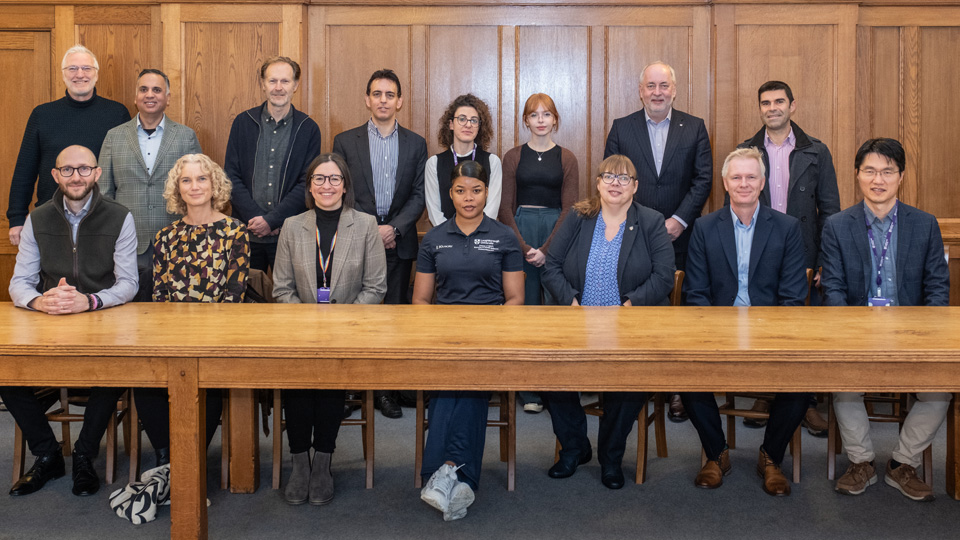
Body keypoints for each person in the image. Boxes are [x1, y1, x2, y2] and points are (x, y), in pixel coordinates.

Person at [0, 145, 138, 497]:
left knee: (115, 371)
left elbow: (128, 284)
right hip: (49, 326)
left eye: (83, 169)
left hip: (102, 323)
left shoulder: (120, 216)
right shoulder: (38, 218)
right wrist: (40, 302)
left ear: (96, 173)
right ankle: (47, 454)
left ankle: (83, 454)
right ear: (55, 175)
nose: (76, 176)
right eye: (67, 170)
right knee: (6, 372)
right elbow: (19, 282)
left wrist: (88, 301)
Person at [821, 138, 950, 502]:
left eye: (887, 171)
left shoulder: (924, 224)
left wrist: (926, 334)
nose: (878, 179)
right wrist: (849, 334)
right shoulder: (837, 225)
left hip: (912, 333)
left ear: (901, 177)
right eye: (870, 171)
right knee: (844, 384)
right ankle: (861, 462)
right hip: (856, 332)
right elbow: (833, 290)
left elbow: (937, 289)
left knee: (939, 390)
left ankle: (901, 463)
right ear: (858, 175)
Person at [540, 155, 675, 490]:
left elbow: (664, 277)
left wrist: (628, 305)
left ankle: (611, 457)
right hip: (576, 324)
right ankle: (575, 448)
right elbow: (551, 265)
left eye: (624, 178)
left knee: (629, 382)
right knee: (547, 373)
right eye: (609, 176)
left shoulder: (651, 221)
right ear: (598, 183)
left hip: (628, 326)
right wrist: (571, 302)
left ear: (635, 187)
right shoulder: (578, 216)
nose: (616, 183)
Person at [681, 147, 808, 497]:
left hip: (770, 333)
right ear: (725, 182)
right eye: (736, 177)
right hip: (718, 332)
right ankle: (717, 453)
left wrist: (772, 337)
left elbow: (794, 298)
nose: (744, 183)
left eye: (751, 176)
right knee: (685, 375)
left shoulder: (786, 228)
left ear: (763, 182)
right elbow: (696, 294)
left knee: (802, 382)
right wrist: (712, 335)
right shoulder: (705, 228)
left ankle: (770, 457)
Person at [273, 152, 387, 505]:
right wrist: (308, 322)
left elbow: (376, 287)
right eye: (320, 179)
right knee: (298, 380)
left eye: (334, 179)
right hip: (299, 329)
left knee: (329, 382)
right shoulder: (293, 225)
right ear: (309, 186)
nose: (327, 185)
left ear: (345, 186)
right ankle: (299, 462)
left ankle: (322, 461)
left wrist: (341, 323)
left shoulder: (365, 225)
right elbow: (281, 289)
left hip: (349, 330)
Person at [414, 160, 524, 521]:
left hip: (489, 336)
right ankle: (460, 479)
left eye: (476, 190)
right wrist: (436, 337)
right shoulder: (434, 238)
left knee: (469, 384)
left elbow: (515, 299)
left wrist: (492, 336)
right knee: (453, 386)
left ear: (487, 192)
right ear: (451, 194)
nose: (469, 197)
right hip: (444, 336)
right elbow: (420, 301)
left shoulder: (505, 237)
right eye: (461, 190)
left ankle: (439, 474)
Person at [603, 61, 712, 423]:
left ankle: (677, 388)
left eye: (663, 85)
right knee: (634, 307)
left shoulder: (694, 128)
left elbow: (703, 179)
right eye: (650, 85)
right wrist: (646, 224)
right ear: (640, 90)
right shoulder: (622, 128)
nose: (657, 92)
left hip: (681, 235)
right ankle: (632, 385)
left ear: (674, 89)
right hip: (633, 236)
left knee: (677, 314)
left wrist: (679, 220)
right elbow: (614, 178)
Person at [737, 80, 841, 435]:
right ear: (760, 108)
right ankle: (766, 393)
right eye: (765, 102)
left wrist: (826, 259)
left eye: (779, 101)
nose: (772, 108)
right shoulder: (747, 150)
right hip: (759, 249)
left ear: (792, 106)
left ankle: (804, 401)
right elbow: (733, 206)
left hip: (805, 251)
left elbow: (830, 210)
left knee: (802, 329)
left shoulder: (816, 151)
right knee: (765, 323)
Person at [133, 154, 250, 468]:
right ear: (177, 189)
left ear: (214, 186)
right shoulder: (165, 238)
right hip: (171, 337)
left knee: (206, 384)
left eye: (202, 179)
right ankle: (170, 460)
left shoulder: (235, 232)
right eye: (186, 180)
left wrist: (203, 339)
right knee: (143, 384)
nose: (194, 186)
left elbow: (234, 295)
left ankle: (189, 461)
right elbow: (159, 297)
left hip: (217, 338)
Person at [332, 68, 427, 418]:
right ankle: (350, 389)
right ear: (367, 99)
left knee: (393, 318)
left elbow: (419, 196)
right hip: (357, 239)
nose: (383, 100)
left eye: (390, 95)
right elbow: (339, 189)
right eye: (377, 94)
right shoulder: (345, 140)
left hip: (399, 243)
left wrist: (396, 229)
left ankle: (386, 389)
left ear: (399, 101)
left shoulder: (416, 143)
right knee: (356, 315)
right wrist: (371, 229)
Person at [497, 92, 579, 413]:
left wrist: (547, 249)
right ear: (525, 121)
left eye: (547, 115)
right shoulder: (513, 156)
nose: (541, 120)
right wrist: (525, 247)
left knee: (559, 308)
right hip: (520, 233)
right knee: (526, 309)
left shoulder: (567, 158)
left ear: (555, 120)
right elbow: (504, 206)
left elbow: (570, 206)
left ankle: (557, 386)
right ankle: (529, 387)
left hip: (557, 236)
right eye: (535, 115)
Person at [7, 45, 130, 246]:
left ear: (96, 74)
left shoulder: (117, 114)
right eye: (72, 69)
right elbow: (25, 170)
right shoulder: (42, 115)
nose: (79, 74)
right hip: (51, 219)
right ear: (63, 75)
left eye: (86, 68)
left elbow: (124, 171)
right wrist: (17, 217)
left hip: (102, 220)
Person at [99, 68, 202, 299]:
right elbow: (104, 193)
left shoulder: (186, 136)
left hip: (177, 242)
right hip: (127, 243)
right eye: (143, 89)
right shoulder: (114, 137)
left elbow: (200, 192)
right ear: (135, 97)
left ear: (167, 98)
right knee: (130, 308)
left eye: (157, 90)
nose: (150, 94)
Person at [224, 56, 322, 272]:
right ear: (262, 84)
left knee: (288, 302)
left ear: (295, 85)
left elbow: (307, 183)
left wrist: (273, 220)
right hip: (246, 233)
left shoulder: (308, 129)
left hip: (290, 234)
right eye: (272, 81)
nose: (278, 88)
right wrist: (256, 219)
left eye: (285, 81)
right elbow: (231, 175)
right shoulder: (243, 122)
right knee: (245, 302)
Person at [425, 94, 501, 226]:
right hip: (445, 237)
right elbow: (434, 211)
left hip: (481, 236)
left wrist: (474, 233)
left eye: (474, 120)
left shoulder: (492, 162)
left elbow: (491, 210)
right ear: (451, 124)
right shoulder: (434, 163)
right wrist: (451, 234)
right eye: (462, 119)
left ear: (479, 126)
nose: (468, 125)